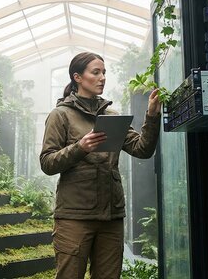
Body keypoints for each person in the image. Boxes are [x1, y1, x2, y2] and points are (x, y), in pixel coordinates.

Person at [39, 52, 161, 279]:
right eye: (96, 72)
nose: (102, 77)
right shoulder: (61, 115)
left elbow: (142, 149)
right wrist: (80, 147)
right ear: (78, 77)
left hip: (111, 217)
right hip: (74, 217)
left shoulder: (111, 116)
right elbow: (47, 162)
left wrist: (152, 117)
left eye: (104, 72)